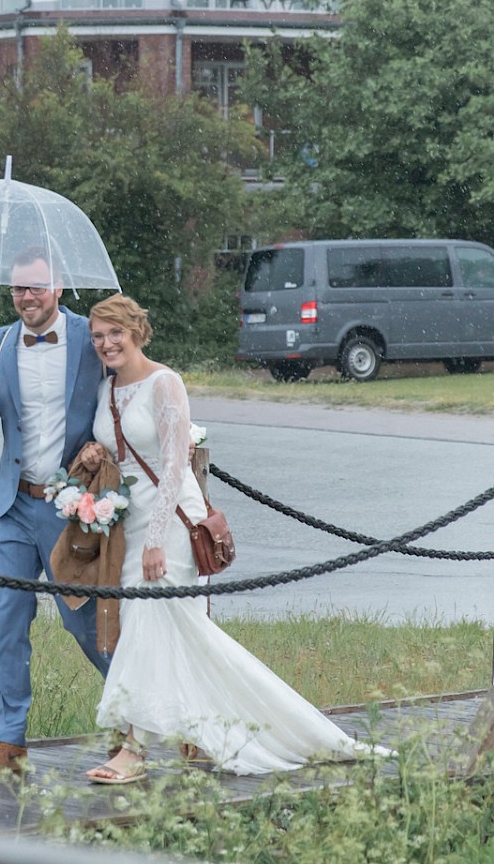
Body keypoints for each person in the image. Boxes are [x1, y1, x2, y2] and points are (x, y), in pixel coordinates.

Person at [82, 294, 376, 783]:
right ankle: (228, 729)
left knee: (147, 627)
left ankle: (132, 749)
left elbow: (176, 464)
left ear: (136, 331)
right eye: (98, 336)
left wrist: (156, 538)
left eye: (115, 332)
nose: (106, 343)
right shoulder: (107, 389)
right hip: (129, 528)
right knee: (182, 638)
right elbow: (121, 452)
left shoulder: (165, 382)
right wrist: (95, 450)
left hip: (171, 525)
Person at [0, 250, 110, 774]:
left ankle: (129, 720)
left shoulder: (91, 340)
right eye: (18, 290)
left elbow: (119, 404)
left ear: (59, 288)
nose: (26, 298)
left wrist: (101, 449)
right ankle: (9, 739)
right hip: (12, 506)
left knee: (85, 619)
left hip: (70, 508)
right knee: (9, 620)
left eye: (36, 288)